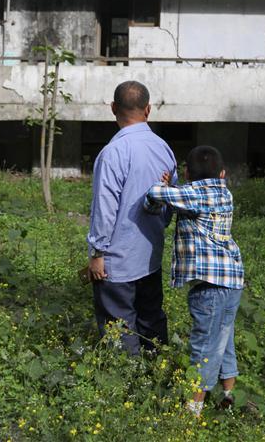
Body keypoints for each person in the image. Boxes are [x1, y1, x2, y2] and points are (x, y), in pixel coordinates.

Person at [144, 146, 245, 416]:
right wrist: (175, 190)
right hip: (232, 281)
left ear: (187, 173)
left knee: (204, 346)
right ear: (223, 173)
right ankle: (228, 396)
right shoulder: (224, 193)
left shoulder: (193, 193)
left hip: (210, 287)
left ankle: (193, 410)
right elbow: (180, 199)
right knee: (224, 338)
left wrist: (167, 186)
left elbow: (153, 195)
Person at [87, 81, 176, 355]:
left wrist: (98, 251)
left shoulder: (112, 153)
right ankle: (156, 369)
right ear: (148, 110)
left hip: (117, 261)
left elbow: (105, 206)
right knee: (151, 318)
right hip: (150, 254)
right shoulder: (164, 149)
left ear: (113, 108)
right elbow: (172, 200)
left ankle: (129, 382)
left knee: (119, 323)